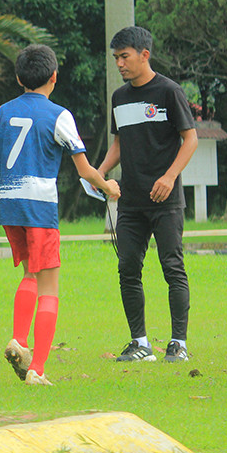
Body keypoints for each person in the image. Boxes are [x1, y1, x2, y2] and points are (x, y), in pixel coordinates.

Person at [0, 45, 120, 385]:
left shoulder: (3, 111)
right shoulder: (59, 115)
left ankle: (18, 339)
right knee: (50, 286)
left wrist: (3, 180)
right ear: (54, 77)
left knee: (30, 273)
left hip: (10, 205)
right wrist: (109, 187)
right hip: (40, 206)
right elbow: (84, 171)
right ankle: (36, 368)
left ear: (19, 78)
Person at [96, 26, 197, 363]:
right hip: (130, 201)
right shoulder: (119, 97)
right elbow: (120, 143)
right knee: (127, 268)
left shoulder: (169, 91)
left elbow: (190, 138)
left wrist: (170, 176)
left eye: (124, 57)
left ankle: (178, 344)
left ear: (144, 54)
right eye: (116, 58)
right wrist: (99, 173)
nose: (119, 64)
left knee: (172, 267)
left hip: (165, 201)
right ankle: (140, 343)